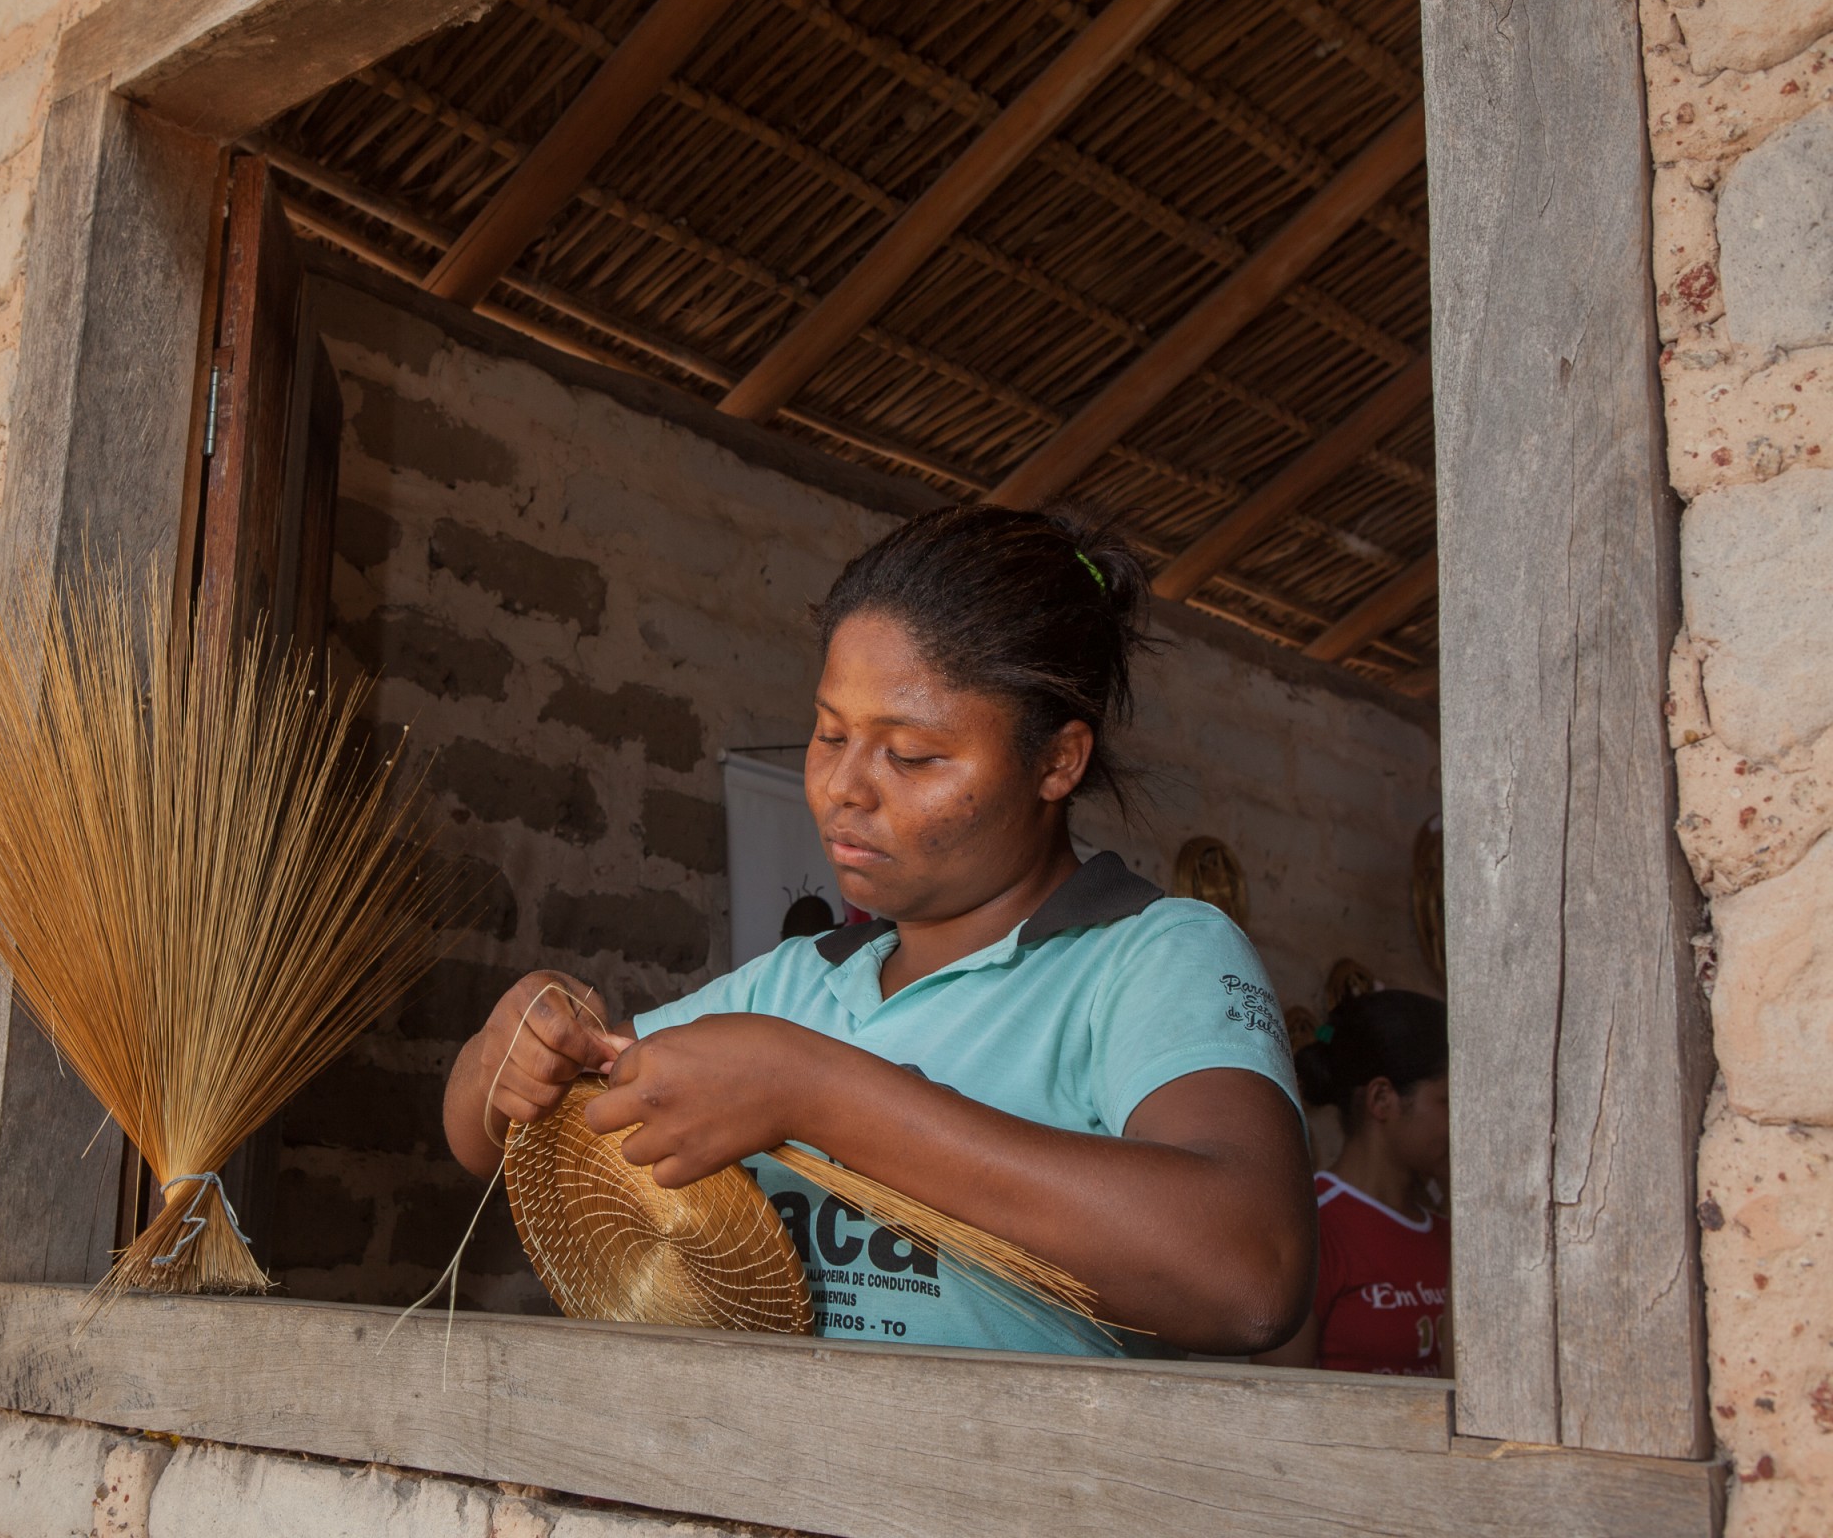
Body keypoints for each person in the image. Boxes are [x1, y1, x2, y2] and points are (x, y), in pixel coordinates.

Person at [440, 504, 1315, 1357]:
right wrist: (507, 1058)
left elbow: (1248, 1275)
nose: (844, 788)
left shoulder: (1149, 958)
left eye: (913, 755)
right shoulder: (795, 984)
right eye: (829, 735)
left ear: (1057, 761)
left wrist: (817, 1093)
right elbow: (504, 1142)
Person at [1254, 989, 1450, 1375]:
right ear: (1382, 1100)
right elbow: (1277, 1403)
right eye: (1447, 1101)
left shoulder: (1447, 1228)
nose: (1464, 1121)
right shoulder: (1311, 1228)